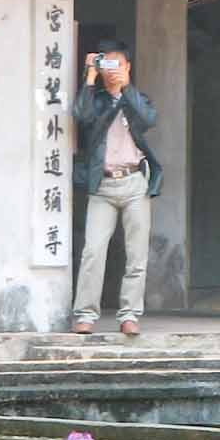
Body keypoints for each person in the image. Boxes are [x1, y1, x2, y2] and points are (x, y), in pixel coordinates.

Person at [70, 39, 162, 337]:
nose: (112, 70)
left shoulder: (138, 99)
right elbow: (81, 116)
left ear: (128, 67)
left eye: (117, 65)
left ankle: (130, 315)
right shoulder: (95, 100)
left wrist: (126, 90)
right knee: (93, 252)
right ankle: (85, 314)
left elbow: (148, 119)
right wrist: (90, 78)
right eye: (106, 64)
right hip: (103, 184)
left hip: (135, 182)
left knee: (137, 254)